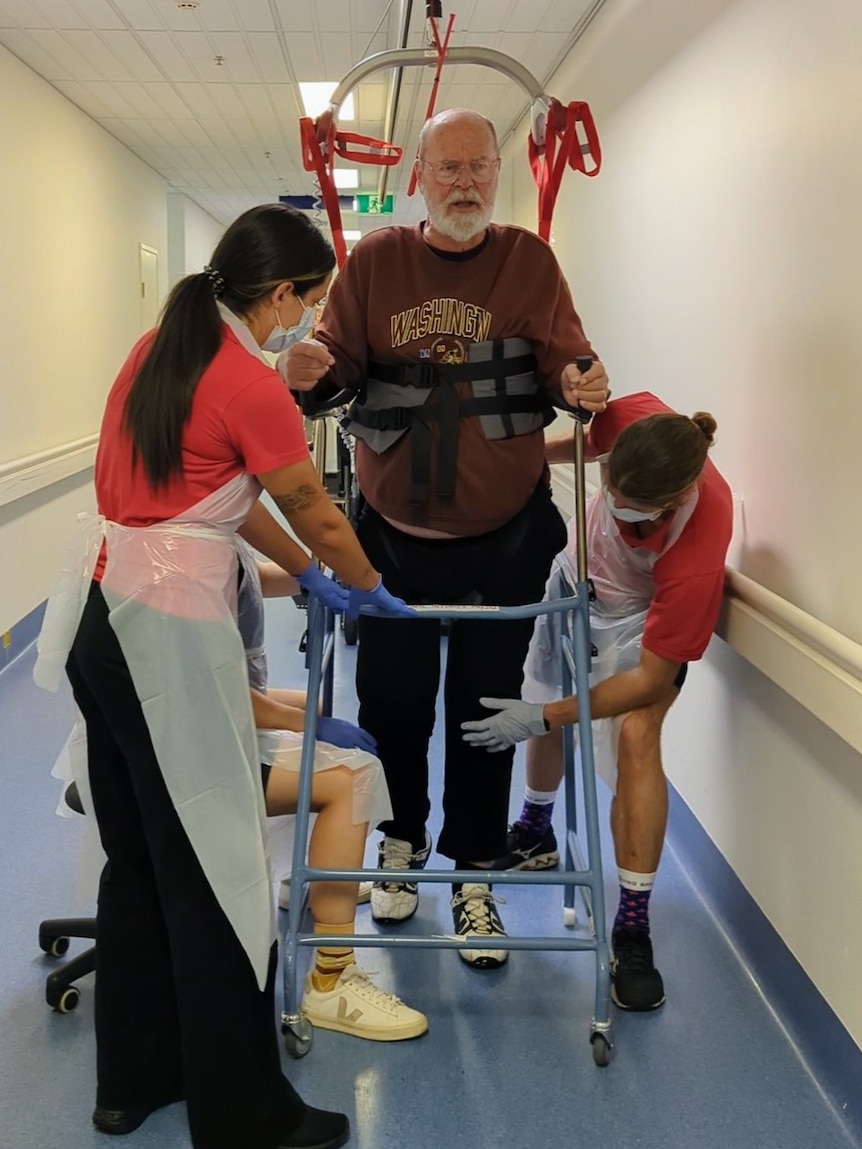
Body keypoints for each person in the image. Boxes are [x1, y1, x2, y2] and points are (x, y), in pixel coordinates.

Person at [35, 203, 413, 1149]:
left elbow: (225, 496)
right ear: (281, 291)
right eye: (311, 302)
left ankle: (132, 1080)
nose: (307, 321)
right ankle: (244, 1116)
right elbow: (312, 506)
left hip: (97, 618)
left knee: (139, 866)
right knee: (213, 866)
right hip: (164, 632)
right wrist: (363, 581)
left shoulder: (156, 346)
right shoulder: (250, 381)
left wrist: (314, 578)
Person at [282, 108, 610, 970]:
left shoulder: (529, 262)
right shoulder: (378, 262)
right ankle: (400, 841)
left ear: (496, 171)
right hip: (393, 541)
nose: (463, 180)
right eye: (448, 166)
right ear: (419, 177)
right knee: (391, 704)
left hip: (504, 541)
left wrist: (583, 382)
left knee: (484, 713)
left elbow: (567, 367)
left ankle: (473, 872)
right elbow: (335, 368)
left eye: (478, 165)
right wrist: (310, 375)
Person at [460, 391, 734, 1010]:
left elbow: (651, 681)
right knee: (548, 686)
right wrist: (523, 459)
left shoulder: (699, 545)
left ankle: (632, 926)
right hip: (577, 577)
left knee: (636, 734)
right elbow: (587, 439)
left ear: (676, 499)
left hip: (640, 619)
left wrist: (542, 717)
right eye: (613, 492)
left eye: (639, 514)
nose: (624, 514)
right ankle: (535, 834)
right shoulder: (633, 418)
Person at [235, 540, 427, 1042]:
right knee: (354, 774)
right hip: (188, 753)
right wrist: (304, 725)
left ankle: (306, 876)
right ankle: (332, 978)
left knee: (314, 711)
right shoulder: (185, 565)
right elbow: (214, 691)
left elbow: (242, 575)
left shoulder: (183, 532)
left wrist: (313, 577)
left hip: (183, 728)